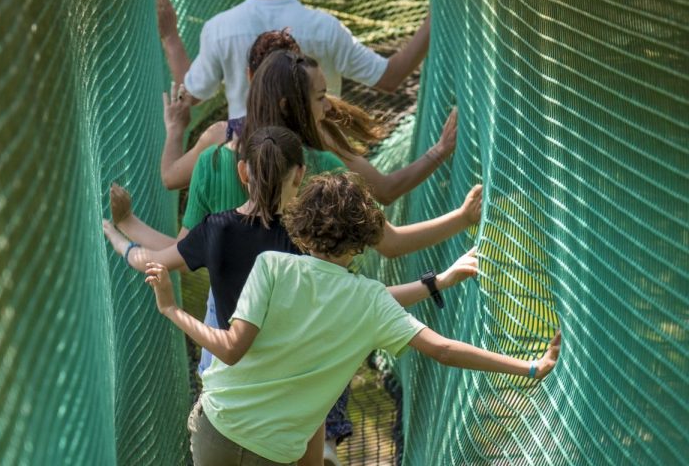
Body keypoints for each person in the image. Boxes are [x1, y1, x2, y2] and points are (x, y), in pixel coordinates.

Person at [104, 126, 467, 464]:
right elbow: (365, 299)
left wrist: (121, 230)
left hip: (230, 395)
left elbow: (150, 260)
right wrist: (435, 282)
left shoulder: (215, 230)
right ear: (299, 174)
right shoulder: (305, 243)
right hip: (289, 401)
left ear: (243, 172)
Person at [145, 172, 562, 465]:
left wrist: (170, 307)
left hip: (217, 427)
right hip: (272, 451)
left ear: (302, 225)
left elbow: (233, 346)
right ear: (365, 236)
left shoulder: (271, 265)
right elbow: (445, 350)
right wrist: (529, 366)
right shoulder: (371, 299)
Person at [157, 0, 433, 189]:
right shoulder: (325, 28)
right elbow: (390, 77)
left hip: (244, 162)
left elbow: (191, 94)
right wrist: (436, 14)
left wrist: (170, 38)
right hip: (317, 161)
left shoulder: (220, 29)